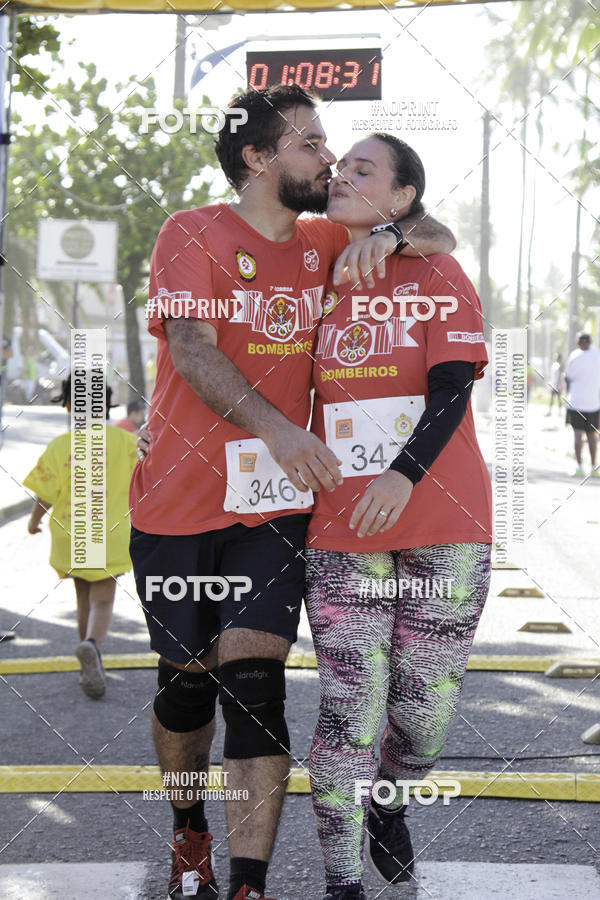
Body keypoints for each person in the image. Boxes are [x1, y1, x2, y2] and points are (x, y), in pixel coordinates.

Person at [128, 85, 454, 900]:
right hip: (175, 502)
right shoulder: (190, 233)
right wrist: (279, 427)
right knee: (186, 686)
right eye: (311, 143)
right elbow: (195, 350)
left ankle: (247, 883)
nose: (328, 158)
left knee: (254, 684)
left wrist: (392, 232)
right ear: (258, 158)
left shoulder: (324, 240)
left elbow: (441, 234)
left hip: (274, 508)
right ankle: (189, 827)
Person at [303, 134, 492, 899]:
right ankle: (341, 881)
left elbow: (453, 386)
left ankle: (390, 796)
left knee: (426, 714)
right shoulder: (314, 265)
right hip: (341, 526)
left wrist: (403, 475)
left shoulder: (439, 270)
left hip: (443, 514)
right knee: (350, 702)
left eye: (363, 169)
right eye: (338, 167)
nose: (341, 175)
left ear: (403, 198)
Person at [23, 373, 137, 698]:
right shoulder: (125, 442)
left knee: (82, 597)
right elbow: (147, 481)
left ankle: (85, 652)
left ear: (70, 406)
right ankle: (92, 645)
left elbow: (45, 493)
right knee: (103, 600)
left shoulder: (60, 446)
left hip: (70, 534)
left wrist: (34, 521)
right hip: (110, 533)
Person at [565, 333, 600, 477]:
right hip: (593, 403)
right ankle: (593, 468)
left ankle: (579, 467)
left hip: (576, 402)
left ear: (578, 343)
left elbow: (568, 378)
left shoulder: (574, 355)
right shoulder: (597, 355)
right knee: (592, 436)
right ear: (590, 342)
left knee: (577, 435)